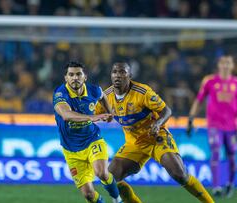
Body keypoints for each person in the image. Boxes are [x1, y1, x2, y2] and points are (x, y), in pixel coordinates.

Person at [95, 62, 214, 203]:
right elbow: (92, 114)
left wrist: (158, 123)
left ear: (130, 76)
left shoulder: (143, 92)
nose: (118, 76)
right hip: (134, 144)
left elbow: (166, 111)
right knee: (111, 178)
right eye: (115, 72)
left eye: (122, 72)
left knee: (179, 174)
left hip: (156, 138)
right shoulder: (106, 97)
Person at [53, 61, 123, 203]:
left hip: (92, 140)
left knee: (102, 173)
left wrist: (110, 112)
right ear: (66, 78)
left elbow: (102, 96)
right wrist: (94, 117)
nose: (75, 78)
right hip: (71, 150)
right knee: (89, 195)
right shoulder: (60, 94)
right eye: (71, 75)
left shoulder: (93, 90)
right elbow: (66, 115)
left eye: (78, 74)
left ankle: (117, 199)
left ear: (85, 77)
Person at [187, 55, 237, 198]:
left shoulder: (236, 83)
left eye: (228, 63)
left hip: (232, 127)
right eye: (223, 62)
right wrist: (191, 119)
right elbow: (198, 100)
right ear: (218, 65)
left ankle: (229, 183)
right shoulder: (210, 81)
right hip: (215, 125)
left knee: (232, 156)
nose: (225, 65)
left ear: (232, 66)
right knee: (215, 151)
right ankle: (216, 186)